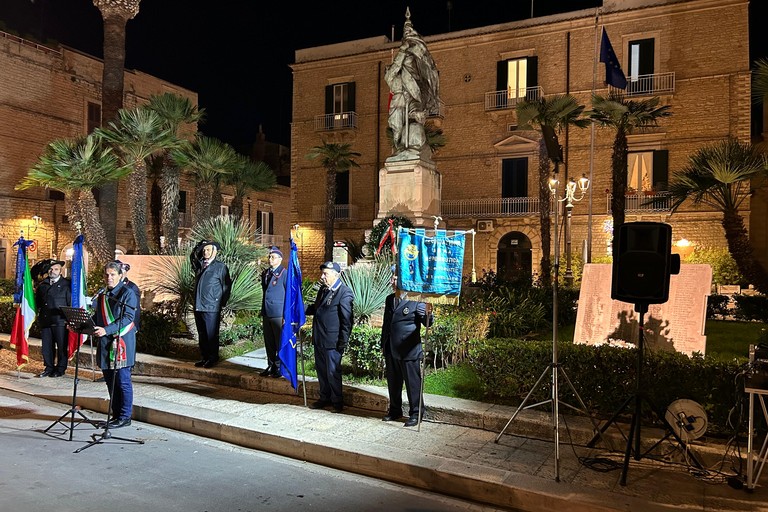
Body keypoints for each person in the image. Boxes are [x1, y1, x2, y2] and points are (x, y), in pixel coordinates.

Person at [384, 8, 440, 160]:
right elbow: (390, 74)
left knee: (408, 130)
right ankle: (399, 153)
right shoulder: (394, 77)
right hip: (397, 105)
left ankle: (407, 152)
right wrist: (402, 52)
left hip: (408, 103)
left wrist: (416, 113)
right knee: (396, 133)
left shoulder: (416, 82)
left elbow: (416, 103)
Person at [380, 270, 433, 427]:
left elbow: (428, 323)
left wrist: (429, 313)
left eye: (397, 278)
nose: (393, 280)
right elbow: (386, 324)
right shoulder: (390, 299)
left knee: (413, 384)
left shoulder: (416, 299)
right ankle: (395, 410)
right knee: (393, 383)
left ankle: (416, 413)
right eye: (393, 277)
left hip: (408, 349)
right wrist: (384, 344)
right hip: (391, 348)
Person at [91, 261, 138, 428]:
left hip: (121, 341)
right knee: (110, 380)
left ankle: (125, 416)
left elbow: (128, 318)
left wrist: (106, 330)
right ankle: (116, 414)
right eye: (106, 274)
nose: (109, 277)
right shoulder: (103, 294)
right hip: (105, 342)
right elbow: (97, 318)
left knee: (122, 380)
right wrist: (82, 326)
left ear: (120, 275)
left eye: (112, 274)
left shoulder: (128, 293)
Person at [305, 261, 353, 413]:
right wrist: (299, 307)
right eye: (323, 273)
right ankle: (324, 397)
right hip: (319, 338)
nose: (322, 276)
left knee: (333, 372)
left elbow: (347, 320)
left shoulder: (344, 292)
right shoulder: (323, 290)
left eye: (325, 274)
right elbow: (316, 309)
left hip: (332, 341)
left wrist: (342, 342)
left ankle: (337, 401)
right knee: (322, 371)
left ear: (335, 274)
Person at [191, 240, 232, 368]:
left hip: (212, 306)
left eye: (208, 249)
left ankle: (213, 358)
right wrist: (200, 245)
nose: (205, 252)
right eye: (204, 250)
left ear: (214, 251)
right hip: (199, 304)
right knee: (202, 333)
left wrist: (221, 303)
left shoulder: (220, 267)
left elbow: (226, 286)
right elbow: (192, 257)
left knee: (211, 334)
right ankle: (204, 357)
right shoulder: (200, 265)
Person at [35, 259, 71, 378]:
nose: (52, 271)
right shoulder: (42, 285)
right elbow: (38, 303)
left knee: (61, 346)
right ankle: (49, 367)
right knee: (47, 346)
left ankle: (60, 368)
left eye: (56, 269)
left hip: (60, 320)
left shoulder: (67, 285)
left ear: (60, 271)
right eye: (50, 269)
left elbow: (70, 303)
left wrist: (69, 321)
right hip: (46, 320)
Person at [260, 246, 287, 377]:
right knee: (269, 342)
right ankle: (270, 365)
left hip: (278, 312)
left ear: (280, 259)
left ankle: (279, 366)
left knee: (279, 342)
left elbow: (289, 295)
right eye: (269, 256)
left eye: (273, 257)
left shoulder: (284, 273)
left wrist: (286, 314)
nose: (270, 259)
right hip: (266, 311)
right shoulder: (266, 273)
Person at [115, 260, 141, 332]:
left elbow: (136, 308)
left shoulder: (131, 287)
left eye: (122, 271)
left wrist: (134, 326)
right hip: (113, 324)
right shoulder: (111, 286)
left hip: (126, 326)